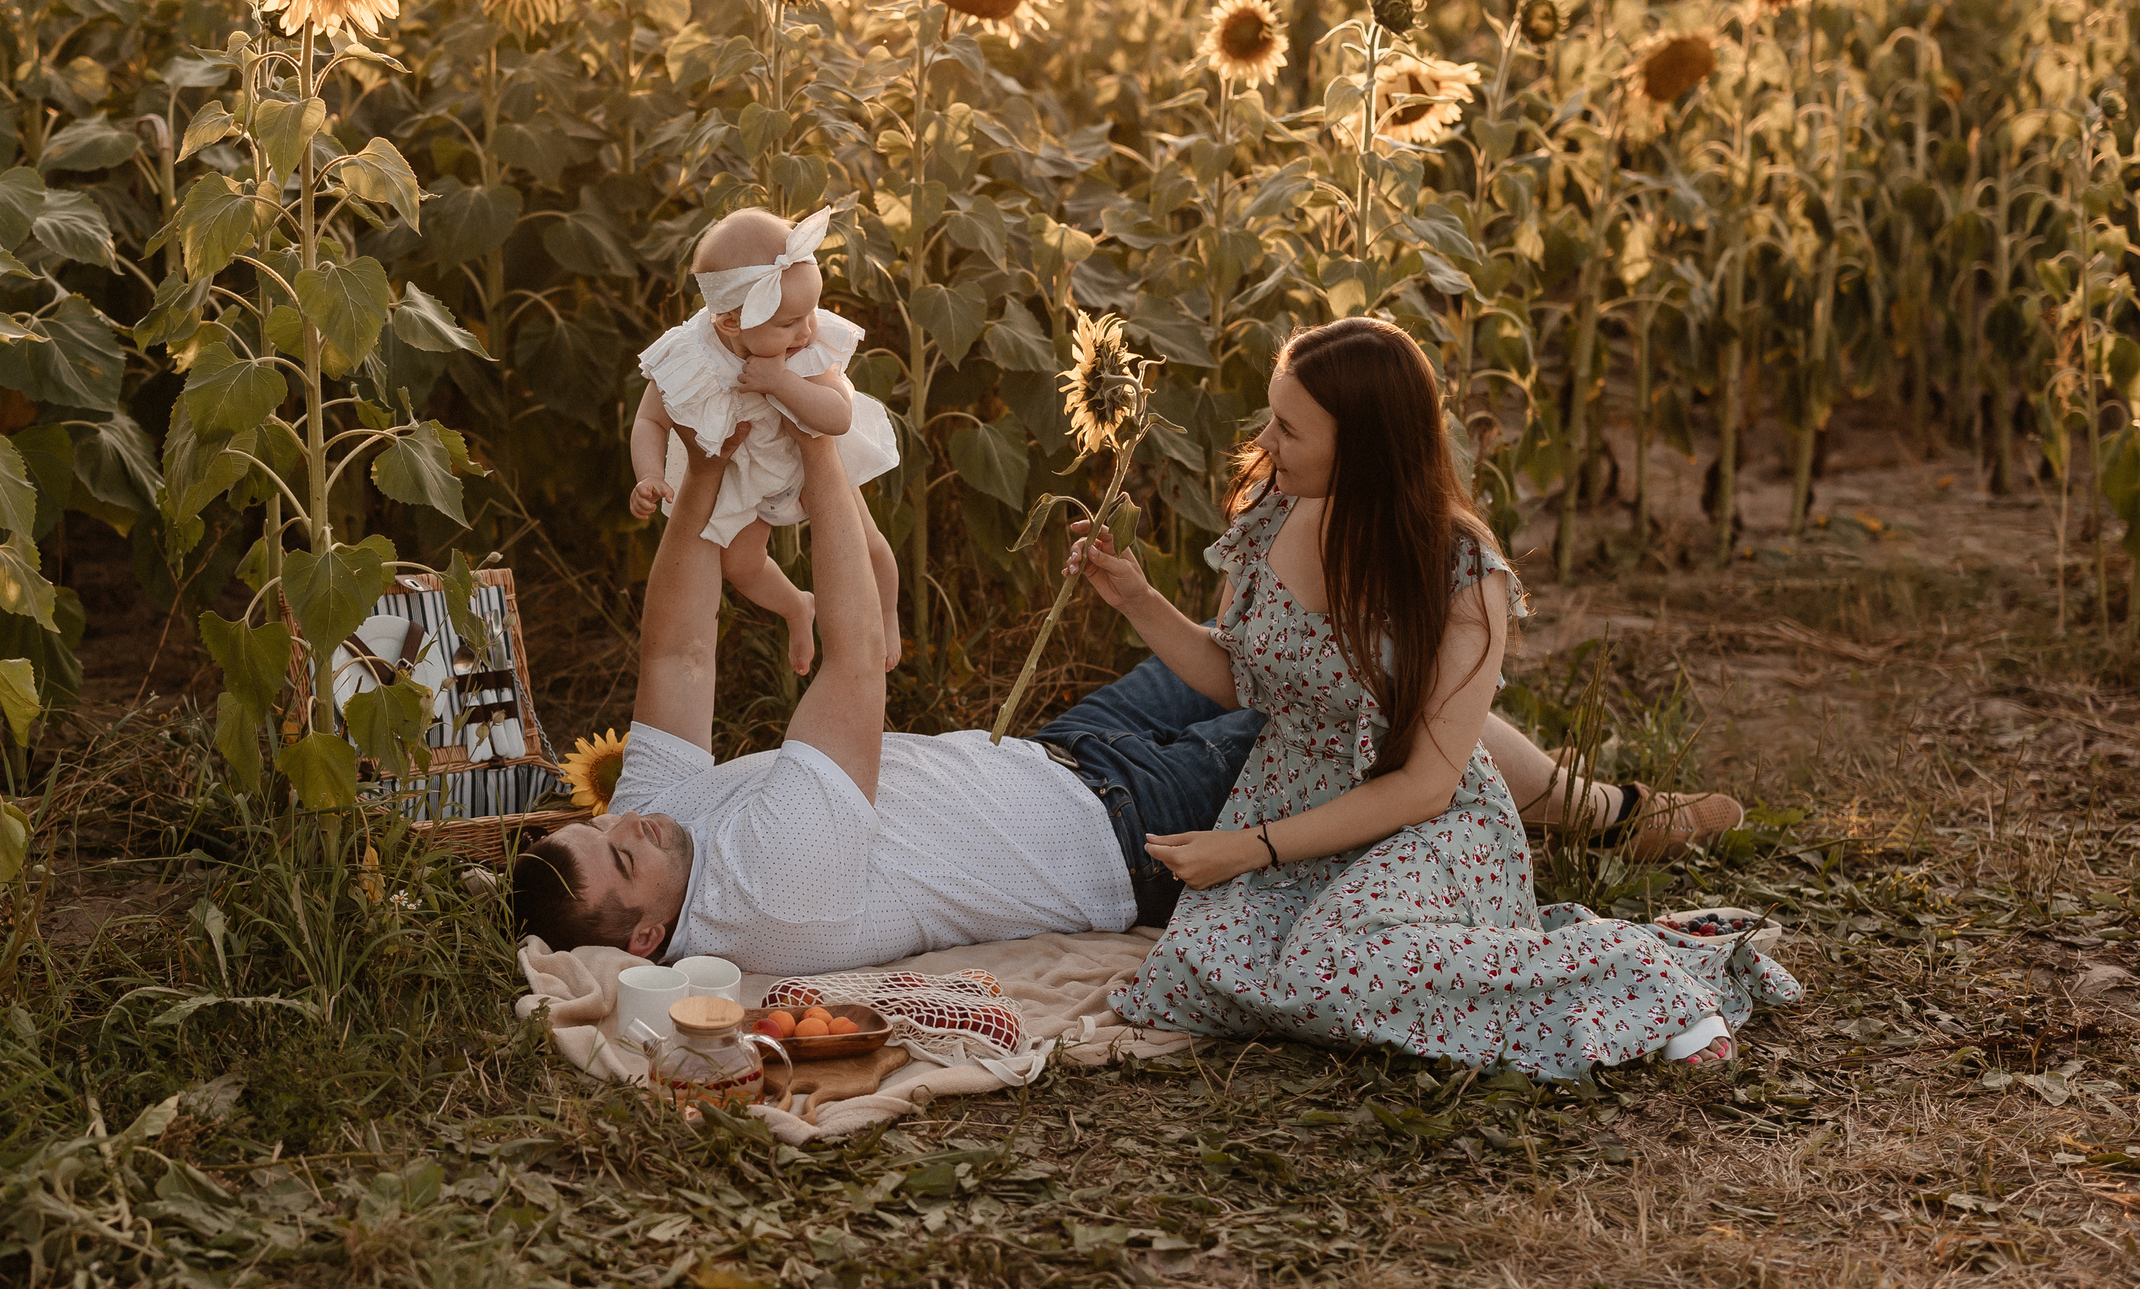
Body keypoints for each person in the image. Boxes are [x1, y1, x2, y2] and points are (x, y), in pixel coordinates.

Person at [508, 349, 1713, 985]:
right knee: (1357, 716)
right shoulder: (764, 894)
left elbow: (676, 644)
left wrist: (703, 473)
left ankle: (1575, 793)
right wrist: (822, 439)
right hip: (1128, 838)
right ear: (646, 943)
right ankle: (1607, 816)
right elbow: (858, 668)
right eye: (625, 857)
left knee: (1290, 671)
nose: (642, 827)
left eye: (610, 825)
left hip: (1063, 753)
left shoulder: (652, 830)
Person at [1073, 318, 1799, 1075]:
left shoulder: (1457, 569)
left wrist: (1246, 849)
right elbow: (1243, 677)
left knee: (1333, 963)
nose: (1265, 440)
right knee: (1191, 972)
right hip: (1290, 806)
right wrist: (1137, 598)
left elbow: (1425, 785)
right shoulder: (1271, 509)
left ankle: (1642, 977)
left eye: (1288, 426)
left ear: (1363, 444)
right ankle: (1552, 966)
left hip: (1429, 827)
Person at [628, 204, 903, 676]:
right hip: (748, 480)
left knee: (866, 544)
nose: (808, 329)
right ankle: (797, 607)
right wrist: (650, 474)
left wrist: (782, 382)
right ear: (730, 323)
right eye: (789, 323)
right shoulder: (692, 354)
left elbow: (837, 416)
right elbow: (650, 420)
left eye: (811, 312)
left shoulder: (804, 345)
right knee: (740, 563)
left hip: (814, 472)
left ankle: (888, 617)